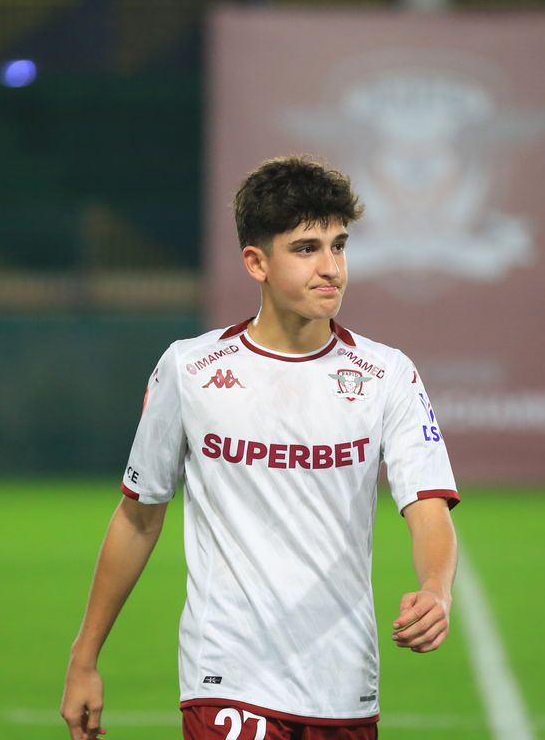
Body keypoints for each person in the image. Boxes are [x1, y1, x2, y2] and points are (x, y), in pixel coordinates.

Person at [60, 156, 460, 740]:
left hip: (344, 685)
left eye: (339, 246)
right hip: (226, 681)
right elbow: (139, 517)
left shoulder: (387, 374)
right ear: (256, 262)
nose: (331, 268)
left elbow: (428, 507)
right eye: (306, 249)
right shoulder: (190, 369)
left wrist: (436, 590)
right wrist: (85, 656)